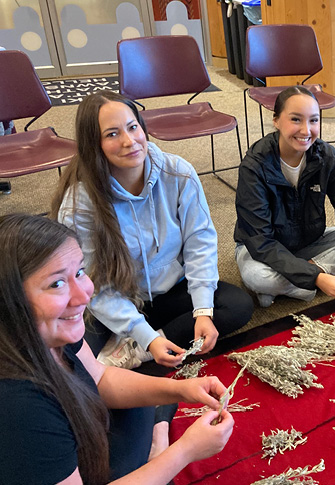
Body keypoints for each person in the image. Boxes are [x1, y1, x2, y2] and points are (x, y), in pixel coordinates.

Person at [0, 213, 234, 484]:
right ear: (9, 301)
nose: (84, 294)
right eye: (56, 283)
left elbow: (99, 378)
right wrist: (184, 452)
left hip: (79, 448)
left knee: (143, 402)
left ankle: (157, 436)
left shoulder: (51, 332)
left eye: (79, 272)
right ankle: (158, 443)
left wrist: (181, 389)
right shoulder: (19, 405)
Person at [52, 90, 254, 369]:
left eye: (133, 127)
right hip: (116, 299)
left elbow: (200, 243)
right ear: (93, 145)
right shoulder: (80, 205)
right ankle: (142, 339)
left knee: (237, 305)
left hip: (170, 290)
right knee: (69, 355)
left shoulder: (178, 173)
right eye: (112, 134)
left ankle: (137, 349)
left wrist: (202, 311)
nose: (129, 141)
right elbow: (95, 287)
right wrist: (144, 333)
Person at [234, 86, 335, 307]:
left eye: (314, 120)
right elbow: (261, 242)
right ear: (276, 120)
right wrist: (316, 276)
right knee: (258, 277)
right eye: (296, 120)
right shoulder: (254, 165)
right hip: (263, 247)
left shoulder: (328, 157)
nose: (306, 131)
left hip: (309, 239)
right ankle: (323, 280)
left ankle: (292, 289)